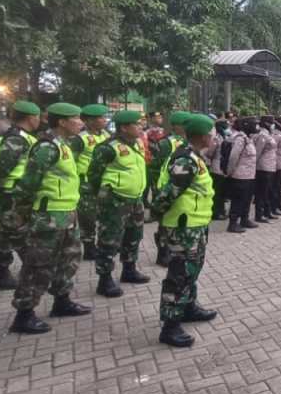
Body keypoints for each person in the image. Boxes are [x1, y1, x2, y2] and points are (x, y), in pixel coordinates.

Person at [9, 103, 92, 335]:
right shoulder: (46, 147)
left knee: (69, 258)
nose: (80, 122)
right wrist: (24, 216)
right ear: (62, 122)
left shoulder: (63, 145)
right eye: (76, 118)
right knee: (38, 265)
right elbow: (28, 184)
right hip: (49, 216)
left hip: (67, 212)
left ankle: (62, 301)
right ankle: (24, 314)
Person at [153, 114, 218, 348]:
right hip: (183, 227)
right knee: (179, 275)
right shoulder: (186, 161)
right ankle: (170, 326)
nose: (213, 138)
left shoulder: (194, 157)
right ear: (201, 136)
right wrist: (158, 215)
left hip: (194, 225)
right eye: (211, 134)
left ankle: (188, 307)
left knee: (192, 270)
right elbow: (168, 194)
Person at [87, 110, 150, 298]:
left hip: (135, 199)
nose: (141, 127)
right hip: (115, 201)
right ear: (124, 127)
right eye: (137, 124)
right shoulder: (107, 147)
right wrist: (106, 193)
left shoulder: (136, 143)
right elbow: (94, 174)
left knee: (133, 235)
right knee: (109, 239)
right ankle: (104, 279)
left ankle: (129, 270)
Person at [0, 100, 41, 290]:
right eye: (38, 117)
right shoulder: (16, 138)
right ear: (30, 117)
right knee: (16, 233)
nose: (39, 121)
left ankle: (1, 271)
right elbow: (4, 167)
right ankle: (15, 271)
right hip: (13, 193)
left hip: (17, 192)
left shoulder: (25, 137)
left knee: (7, 233)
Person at [70, 104, 110, 261]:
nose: (104, 120)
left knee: (104, 214)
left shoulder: (106, 135)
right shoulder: (80, 139)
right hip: (86, 184)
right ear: (90, 121)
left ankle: (103, 243)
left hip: (104, 182)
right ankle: (88, 246)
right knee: (88, 216)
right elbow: (72, 161)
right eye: (101, 118)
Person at [151, 112, 190, 267]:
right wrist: (157, 189)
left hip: (179, 185)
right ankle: (162, 252)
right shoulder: (166, 143)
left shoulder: (186, 141)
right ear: (177, 126)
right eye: (186, 123)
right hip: (166, 186)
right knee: (165, 220)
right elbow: (156, 166)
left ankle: (175, 248)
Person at [224, 115, 258, 233]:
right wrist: (230, 172)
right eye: (253, 124)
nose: (256, 126)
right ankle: (233, 223)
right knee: (238, 200)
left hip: (249, 175)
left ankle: (244, 219)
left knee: (247, 199)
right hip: (240, 175)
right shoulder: (240, 139)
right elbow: (233, 157)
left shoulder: (249, 138)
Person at [253, 115, 277, 223]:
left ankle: (267, 212)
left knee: (267, 191)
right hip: (263, 167)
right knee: (261, 192)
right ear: (266, 123)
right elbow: (258, 152)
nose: (273, 125)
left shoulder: (268, 134)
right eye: (271, 123)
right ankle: (259, 214)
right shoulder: (262, 135)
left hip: (270, 166)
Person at [206, 119, 229, 220]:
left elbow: (210, 153)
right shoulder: (221, 138)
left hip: (220, 168)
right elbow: (210, 152)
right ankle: (217, 212)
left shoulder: (221, 138)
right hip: (219, 168)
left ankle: (219, 211)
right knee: (218, 193)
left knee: (219, 192)